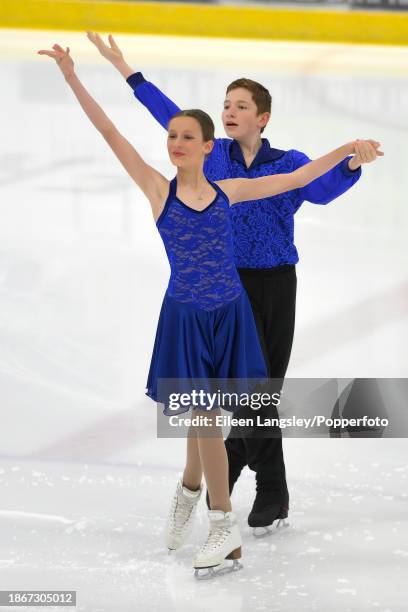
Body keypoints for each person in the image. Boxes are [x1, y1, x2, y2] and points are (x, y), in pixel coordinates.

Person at [37, 40, 382, 576]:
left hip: (249, 301)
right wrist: (92, 73)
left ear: (248, 125)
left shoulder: (246, 182)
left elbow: (304, 180)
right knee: (207, 417)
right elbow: (125, 127)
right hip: (192, 311)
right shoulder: (181, 177)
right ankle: (201, 494)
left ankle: (231, 506)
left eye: (240, 106)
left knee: (234, 408)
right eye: (172, 135)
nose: (176, 142)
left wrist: (350, 153)